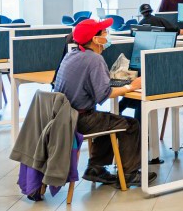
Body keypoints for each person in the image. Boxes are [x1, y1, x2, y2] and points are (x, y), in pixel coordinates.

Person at [53, 18, 150, 186]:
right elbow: (104, 94)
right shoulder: (94, 59)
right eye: (104, 33)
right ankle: (129, 174)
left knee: (109, 120)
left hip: (64, 117)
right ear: (95, 39)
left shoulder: (72, 54)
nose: (107, 36)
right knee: (131, 125)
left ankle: (95, 168)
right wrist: (130, 86)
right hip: (79, 119)